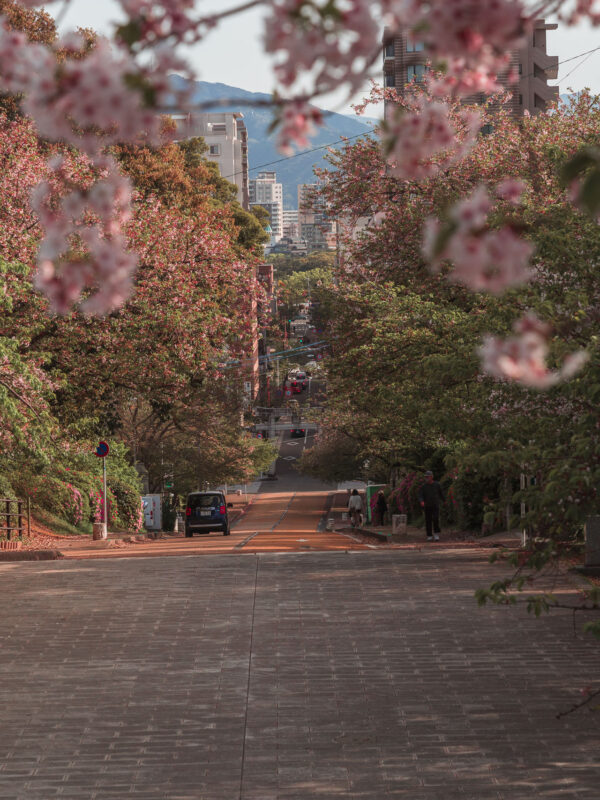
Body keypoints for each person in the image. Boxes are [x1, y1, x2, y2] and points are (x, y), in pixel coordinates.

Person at [418, 471, 445, 542]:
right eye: (426, 477)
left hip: (435, 504)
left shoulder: (437, 485)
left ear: (432, 477)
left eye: (428, 476)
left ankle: (436, 533)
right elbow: (420, 495)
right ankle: (429, 535)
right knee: (428, 520)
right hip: (427, 506)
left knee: (436, 518)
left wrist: (444, 501)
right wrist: (421, 501)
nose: (427, 478)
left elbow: (441, 493)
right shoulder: (423, 486)